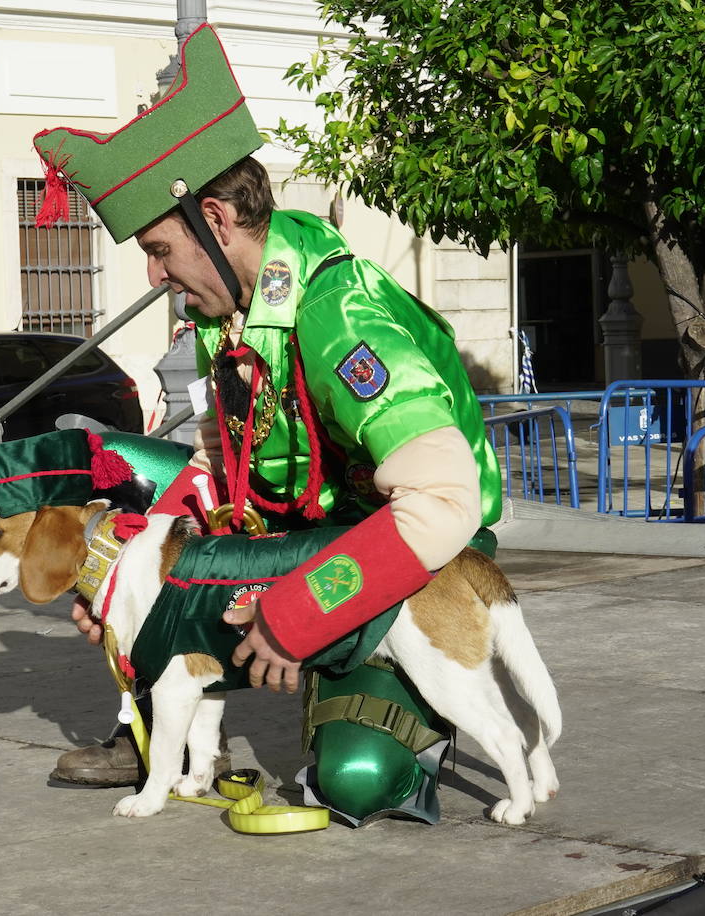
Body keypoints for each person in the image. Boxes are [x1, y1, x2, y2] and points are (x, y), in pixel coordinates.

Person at [31, 24, 502, 823]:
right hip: (293, 539)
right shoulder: (229, 320)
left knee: (353, 778)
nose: (156, 278)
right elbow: (221, 476)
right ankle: (151, 708)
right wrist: (124, 582)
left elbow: (446, 501)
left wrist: (299, 615)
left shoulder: (340, 317)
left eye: (158, 249)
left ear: (215, 218)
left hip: (413, 558)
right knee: (95, 457)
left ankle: (408, 694)